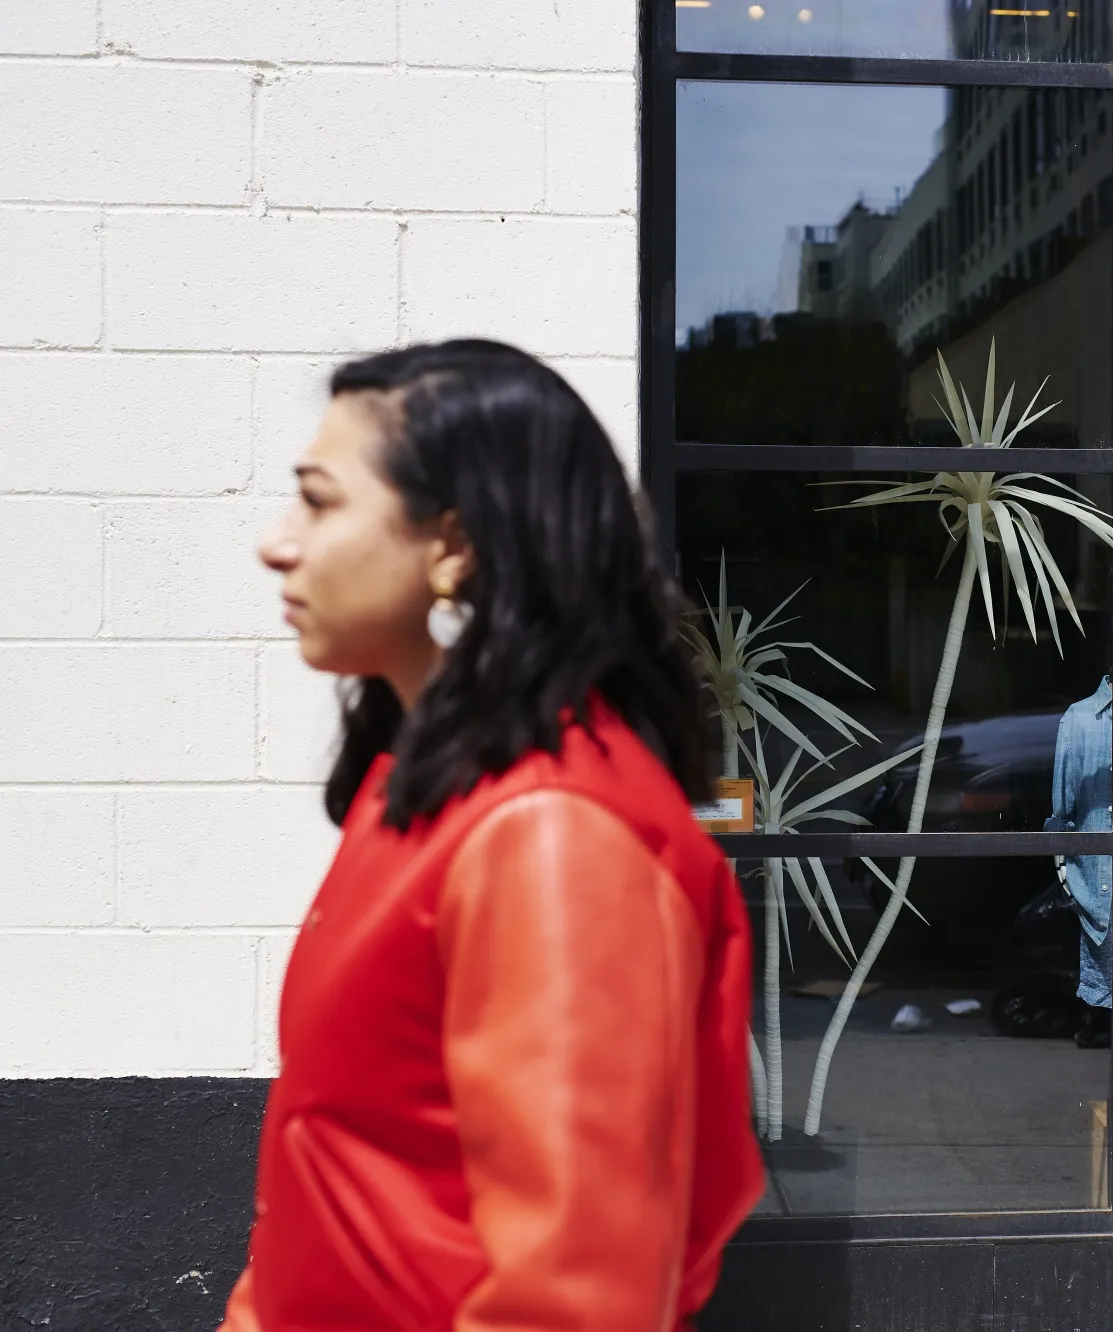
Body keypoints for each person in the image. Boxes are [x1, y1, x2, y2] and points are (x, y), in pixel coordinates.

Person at [224, 340, 762, 1330]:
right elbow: (336, 1171)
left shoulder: (554, 832)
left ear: (454, 544)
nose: (277, 541)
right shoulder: (435, 786)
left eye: (320, 500)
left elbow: (572, 1296)